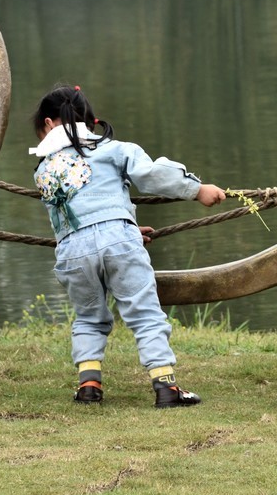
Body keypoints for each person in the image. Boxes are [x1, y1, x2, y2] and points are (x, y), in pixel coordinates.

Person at [30, 84, 227, 408]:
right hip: (119, 240)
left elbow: (78, 212)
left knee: (88, 317)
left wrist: (125, 226)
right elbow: (150, 175)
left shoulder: (43, 168)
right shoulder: (112, 149)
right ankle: (166, 388)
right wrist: (197, 188)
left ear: (49, 124)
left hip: (72, 250)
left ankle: (89, 385)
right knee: (144, 313)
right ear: (89, 121)